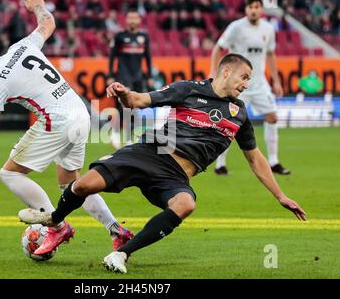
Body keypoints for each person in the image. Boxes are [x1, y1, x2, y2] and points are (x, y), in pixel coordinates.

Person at [20, 53, 306, 273]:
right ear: (226, 71)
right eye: (244, 77)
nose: (246, 84)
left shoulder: (239, 114)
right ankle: (55, 220)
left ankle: (121, 254)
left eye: (249, 80)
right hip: (150, 151)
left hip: (176, 176)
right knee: (83, 185)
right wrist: (123, 94)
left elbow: (255, 158)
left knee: (186, 205)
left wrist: (280, 195)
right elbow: (139, 101)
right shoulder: (188, 89)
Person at [0, 0, 133, 252]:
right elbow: (48, 23)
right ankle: (116, 230)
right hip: (79, 113)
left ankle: (56, 226)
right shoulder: (22, 47)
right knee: (70, 185)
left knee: (9, 173)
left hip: (58, 120)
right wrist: (38, 5)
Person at [210, 0, 291, 176]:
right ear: (246, 9)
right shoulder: (236, 27)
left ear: (261, 9)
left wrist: (276, 81)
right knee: (228, 122)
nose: (254, 10)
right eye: (250, 7)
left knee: (272, 117)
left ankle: (274, 161)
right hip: (237, 84)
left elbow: (270, 55)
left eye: (257, 7)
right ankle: (220, 165)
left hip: (260, 83)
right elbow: (218, 48)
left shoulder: (268, 29)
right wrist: (214, 74)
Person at [107, 9, 154, 148]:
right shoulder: (120, 36)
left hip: (138, 77)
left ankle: (128, 138)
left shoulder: (144, 36)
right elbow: (112, 57)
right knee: (125, 106)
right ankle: (115, 132)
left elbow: (148, 57)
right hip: (123, 75)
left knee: (135, 107)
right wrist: (110, 75)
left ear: (139, 20)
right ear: (126, 20)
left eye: (135, 17)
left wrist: (149, 76)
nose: (133, 20)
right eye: (130, 17)